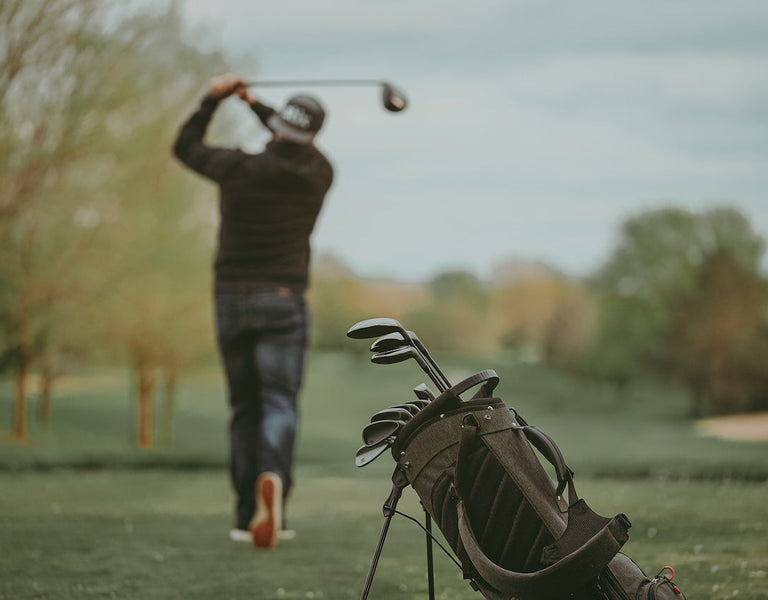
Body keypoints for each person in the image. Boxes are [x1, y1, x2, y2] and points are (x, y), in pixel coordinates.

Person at [172, 73, 334, 548]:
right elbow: (297, 142)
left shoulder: (236, 166)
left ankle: (247, 517)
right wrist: (254, 104)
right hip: (283, 301)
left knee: (244, 409)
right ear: (315, 135)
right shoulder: (319, 173)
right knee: (279, 403)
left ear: (278, 127)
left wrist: (214, 99)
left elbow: (184, 146)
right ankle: (274, 482)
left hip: (231, 298)